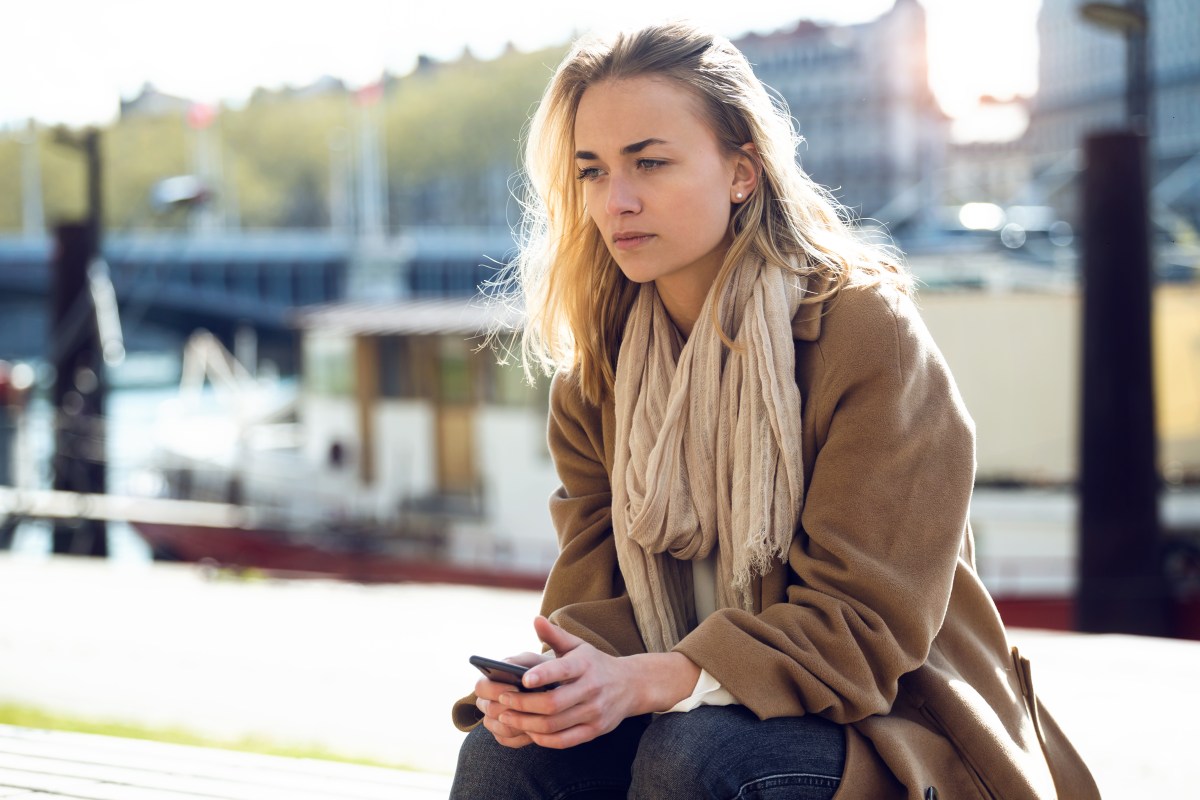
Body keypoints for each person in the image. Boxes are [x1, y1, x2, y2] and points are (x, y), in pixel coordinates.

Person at [450, 21, 1099, 800]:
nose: (615, 201)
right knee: (506, 753)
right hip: (691, 712)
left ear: (742, 173)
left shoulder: (865, 336)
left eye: (650, 163)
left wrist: (659, 679)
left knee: (699, 755)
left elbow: (863, 632)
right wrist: (555, 682)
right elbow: (599, 603)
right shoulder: (600, 372)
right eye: (592, 171)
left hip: (885, 729)